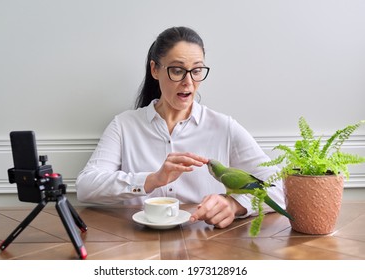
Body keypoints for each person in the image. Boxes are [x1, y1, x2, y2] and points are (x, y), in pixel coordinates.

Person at [76, 26, 285, 229]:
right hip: (137, 244)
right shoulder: (124, 125)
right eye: (177, 71)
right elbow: (86, 187)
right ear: (155, 70)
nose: (188, 82)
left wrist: (236, 205)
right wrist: (152, 179)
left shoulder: (225, 127)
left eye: (196, 71)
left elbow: (280, 190)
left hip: (207, 243)